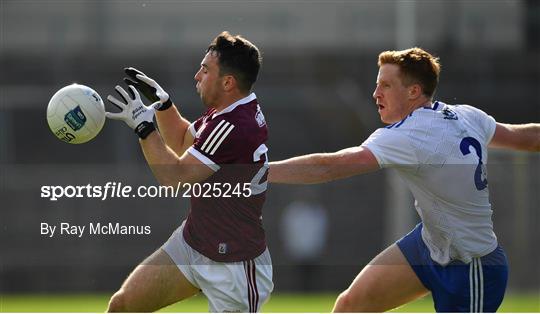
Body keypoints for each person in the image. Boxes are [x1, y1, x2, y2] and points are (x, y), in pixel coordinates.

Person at [269, 47, 539, 312]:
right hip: (429, 245)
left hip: (471, 266)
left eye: (386, 85)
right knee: (350, 306)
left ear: (413, 91)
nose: (376, 94)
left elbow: (331, 167)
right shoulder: (467, 115)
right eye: (377, 85)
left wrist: (261, 171)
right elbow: (523, 136)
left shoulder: (409, 134)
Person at [104, 31, 273, 312]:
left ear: (228, 82)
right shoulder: (225, 112)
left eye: (205, 70)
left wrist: (144, 128)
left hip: (234, 266)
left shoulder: (232, 125)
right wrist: (163, 105)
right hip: (194, 242)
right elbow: (183, 140)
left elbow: (174, 178)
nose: (197, 75)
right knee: (123, 306)